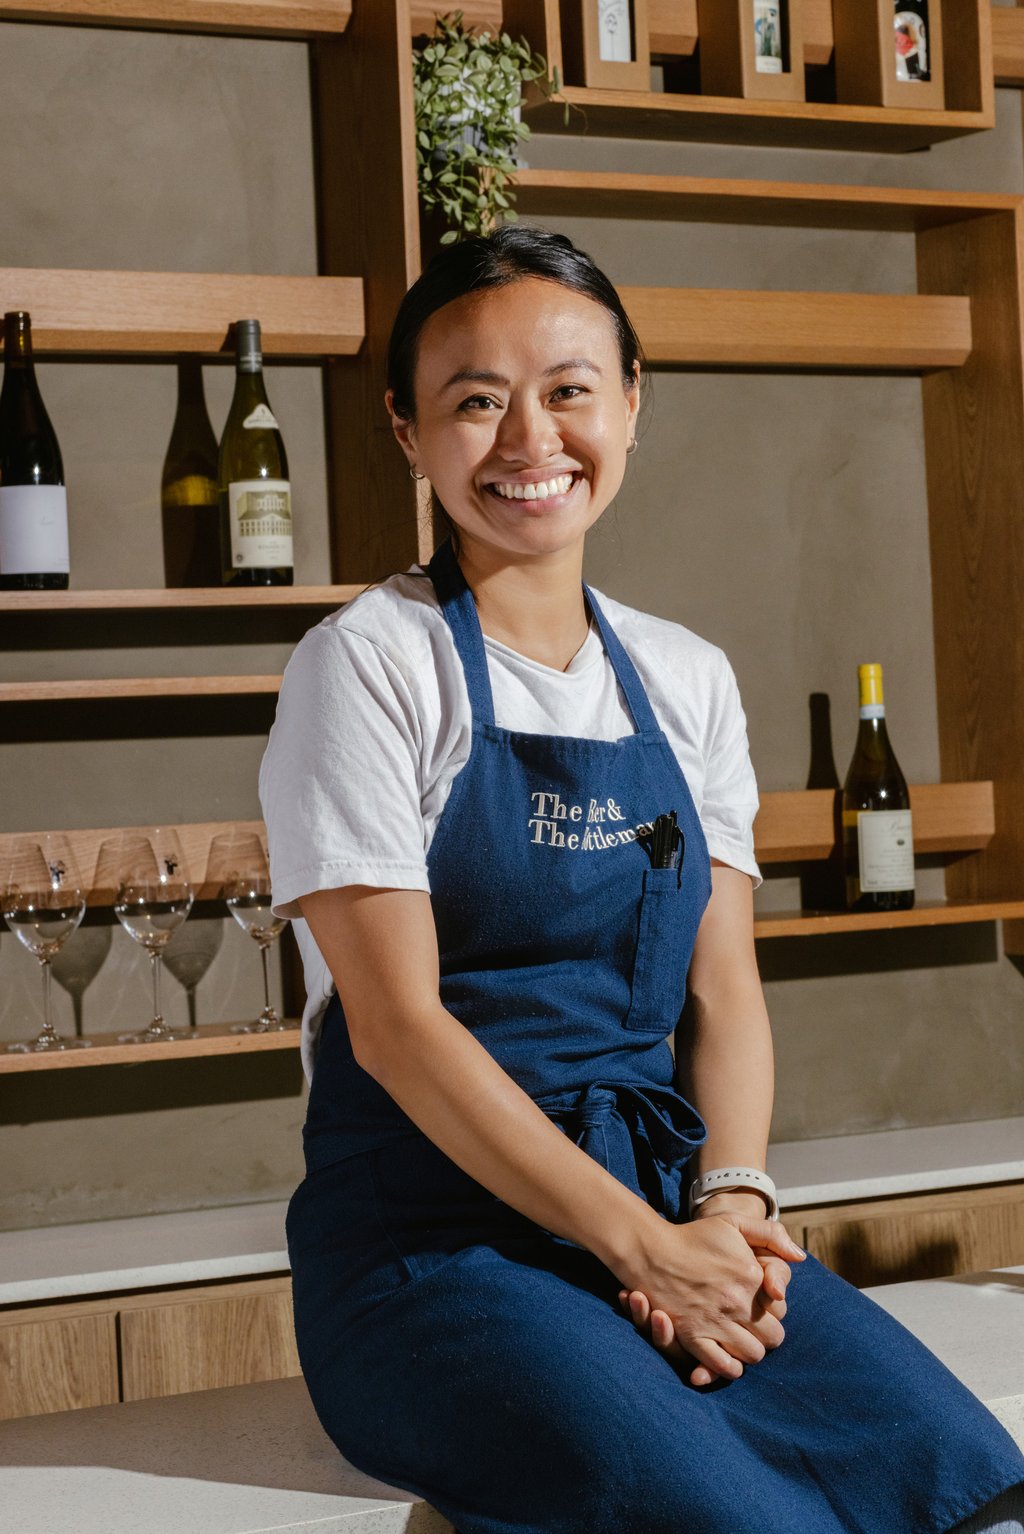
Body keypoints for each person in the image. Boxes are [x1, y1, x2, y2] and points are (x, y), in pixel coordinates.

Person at [260, 226, 1024, 1534]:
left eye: (567, 388)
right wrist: (642, 1249)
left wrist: (729, 1201)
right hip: (434, 1243)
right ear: (405, 429)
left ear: (629, 404)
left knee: (967, 1481)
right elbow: (394, 1026)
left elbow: (724, 990)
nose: (527, 438)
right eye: (474, 399)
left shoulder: (686, 676)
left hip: (665, 1200)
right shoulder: (371, 663)